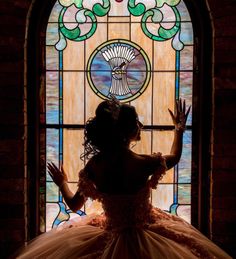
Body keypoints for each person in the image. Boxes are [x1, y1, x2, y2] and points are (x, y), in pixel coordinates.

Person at [15, 98, 231, 259]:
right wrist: (179, 130)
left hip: (109, 232)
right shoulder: (142, 162)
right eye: (137, 122)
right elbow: (174, 156)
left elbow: (73, 205)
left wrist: (62, 183)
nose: (141, 126)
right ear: (125, 132)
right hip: (147, 234)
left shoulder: (96, 165)